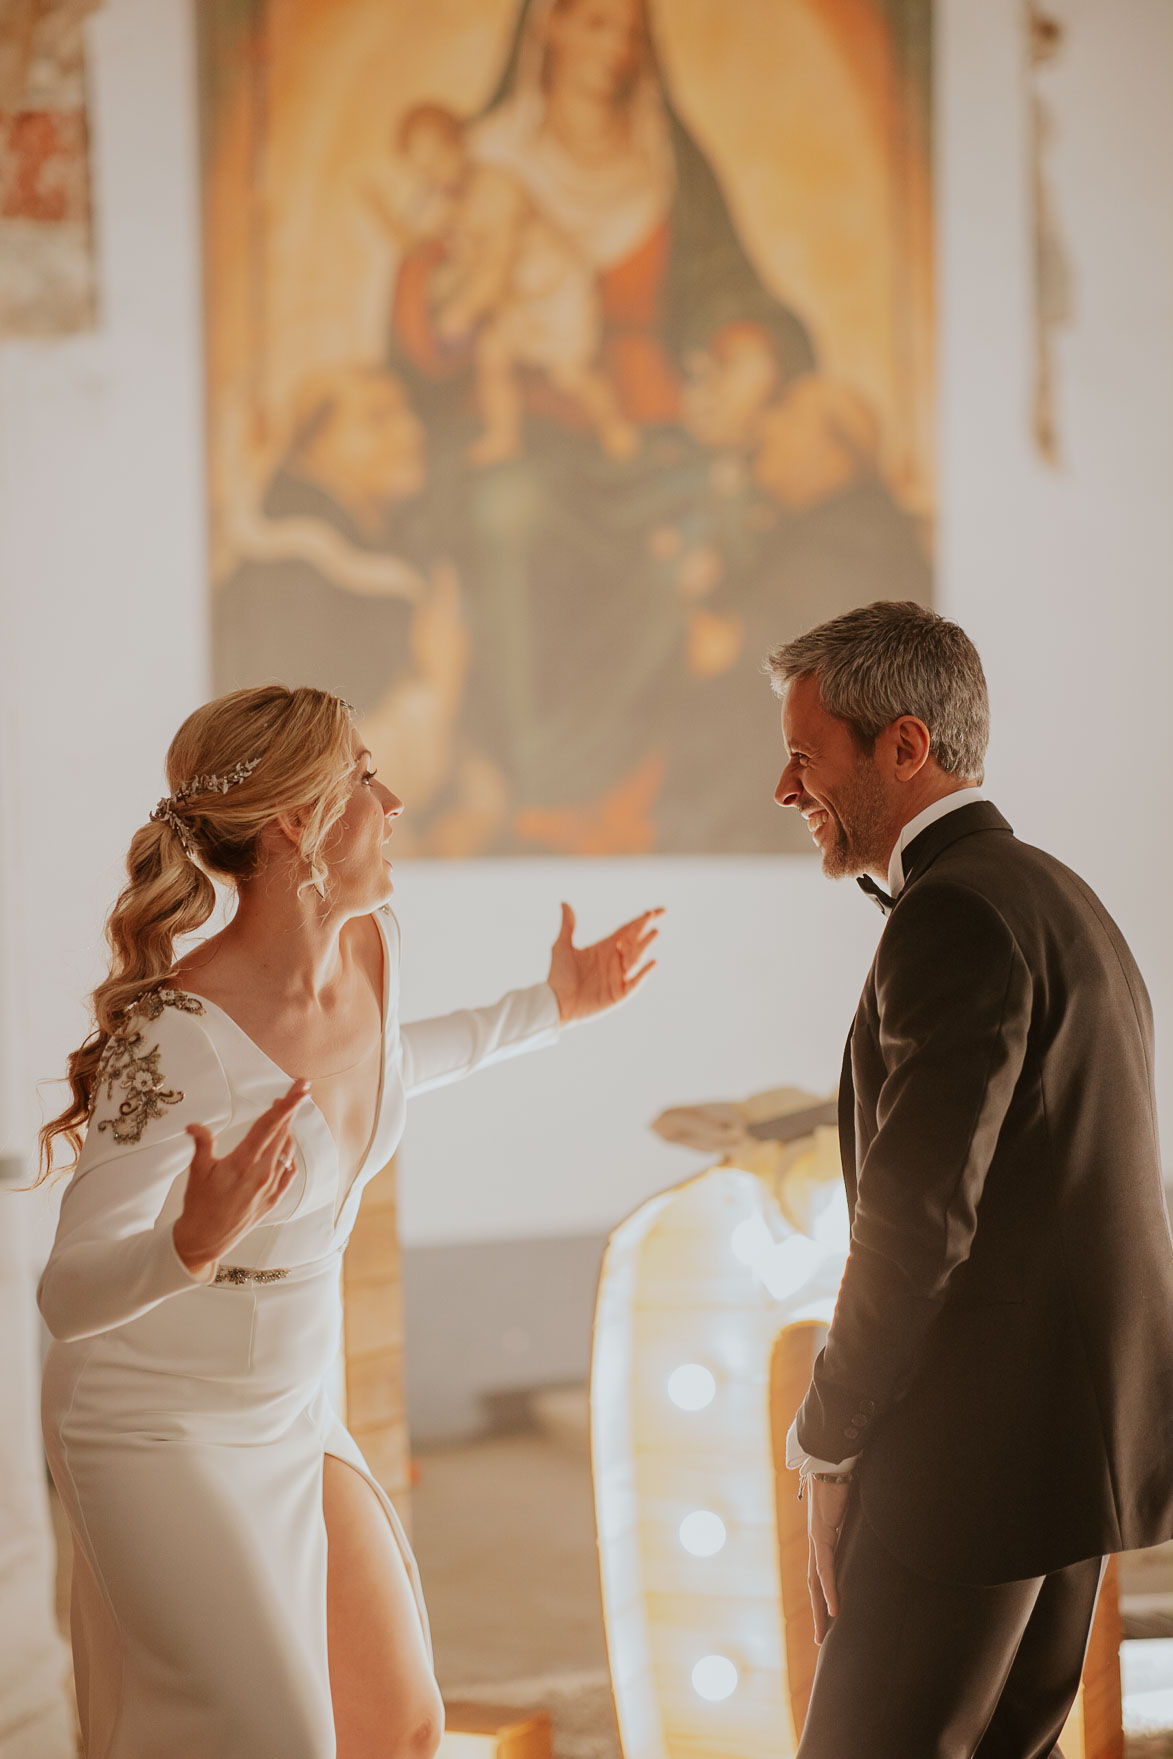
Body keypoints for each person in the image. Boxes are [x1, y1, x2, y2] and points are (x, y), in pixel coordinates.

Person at [36, 683, 663, 1759]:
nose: (398, 798)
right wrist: (190, 1239)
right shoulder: (172, 1034)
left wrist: (549, 1007)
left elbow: (384, 1067)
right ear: (298, 823)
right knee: (270, 1735)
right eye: (367, 778)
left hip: (293, 1406)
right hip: (156, 1427)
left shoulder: (373, 950)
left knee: (401, 1725)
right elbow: (68, 1292)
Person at [768, 601, 1173, 1757]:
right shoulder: (1055, 894)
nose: (787, 788)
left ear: (905, 745)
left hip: (970, 1454)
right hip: (1071, 1444)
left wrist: (828, 1436)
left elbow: (917, 1227)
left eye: (807, 754)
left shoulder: (953, 914)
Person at [376, 103, 637, 465]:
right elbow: (417, 245)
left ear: (459, 144)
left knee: (571, 372)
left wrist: (463, 311)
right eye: (423, 169)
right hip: (515, 297)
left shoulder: (496, 189)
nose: (433, 174)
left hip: (554, 290)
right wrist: (380, 212)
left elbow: (497, 268)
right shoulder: (449, 198)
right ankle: (503, 437)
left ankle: (616, 428)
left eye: (437, 159)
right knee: (493, 358)